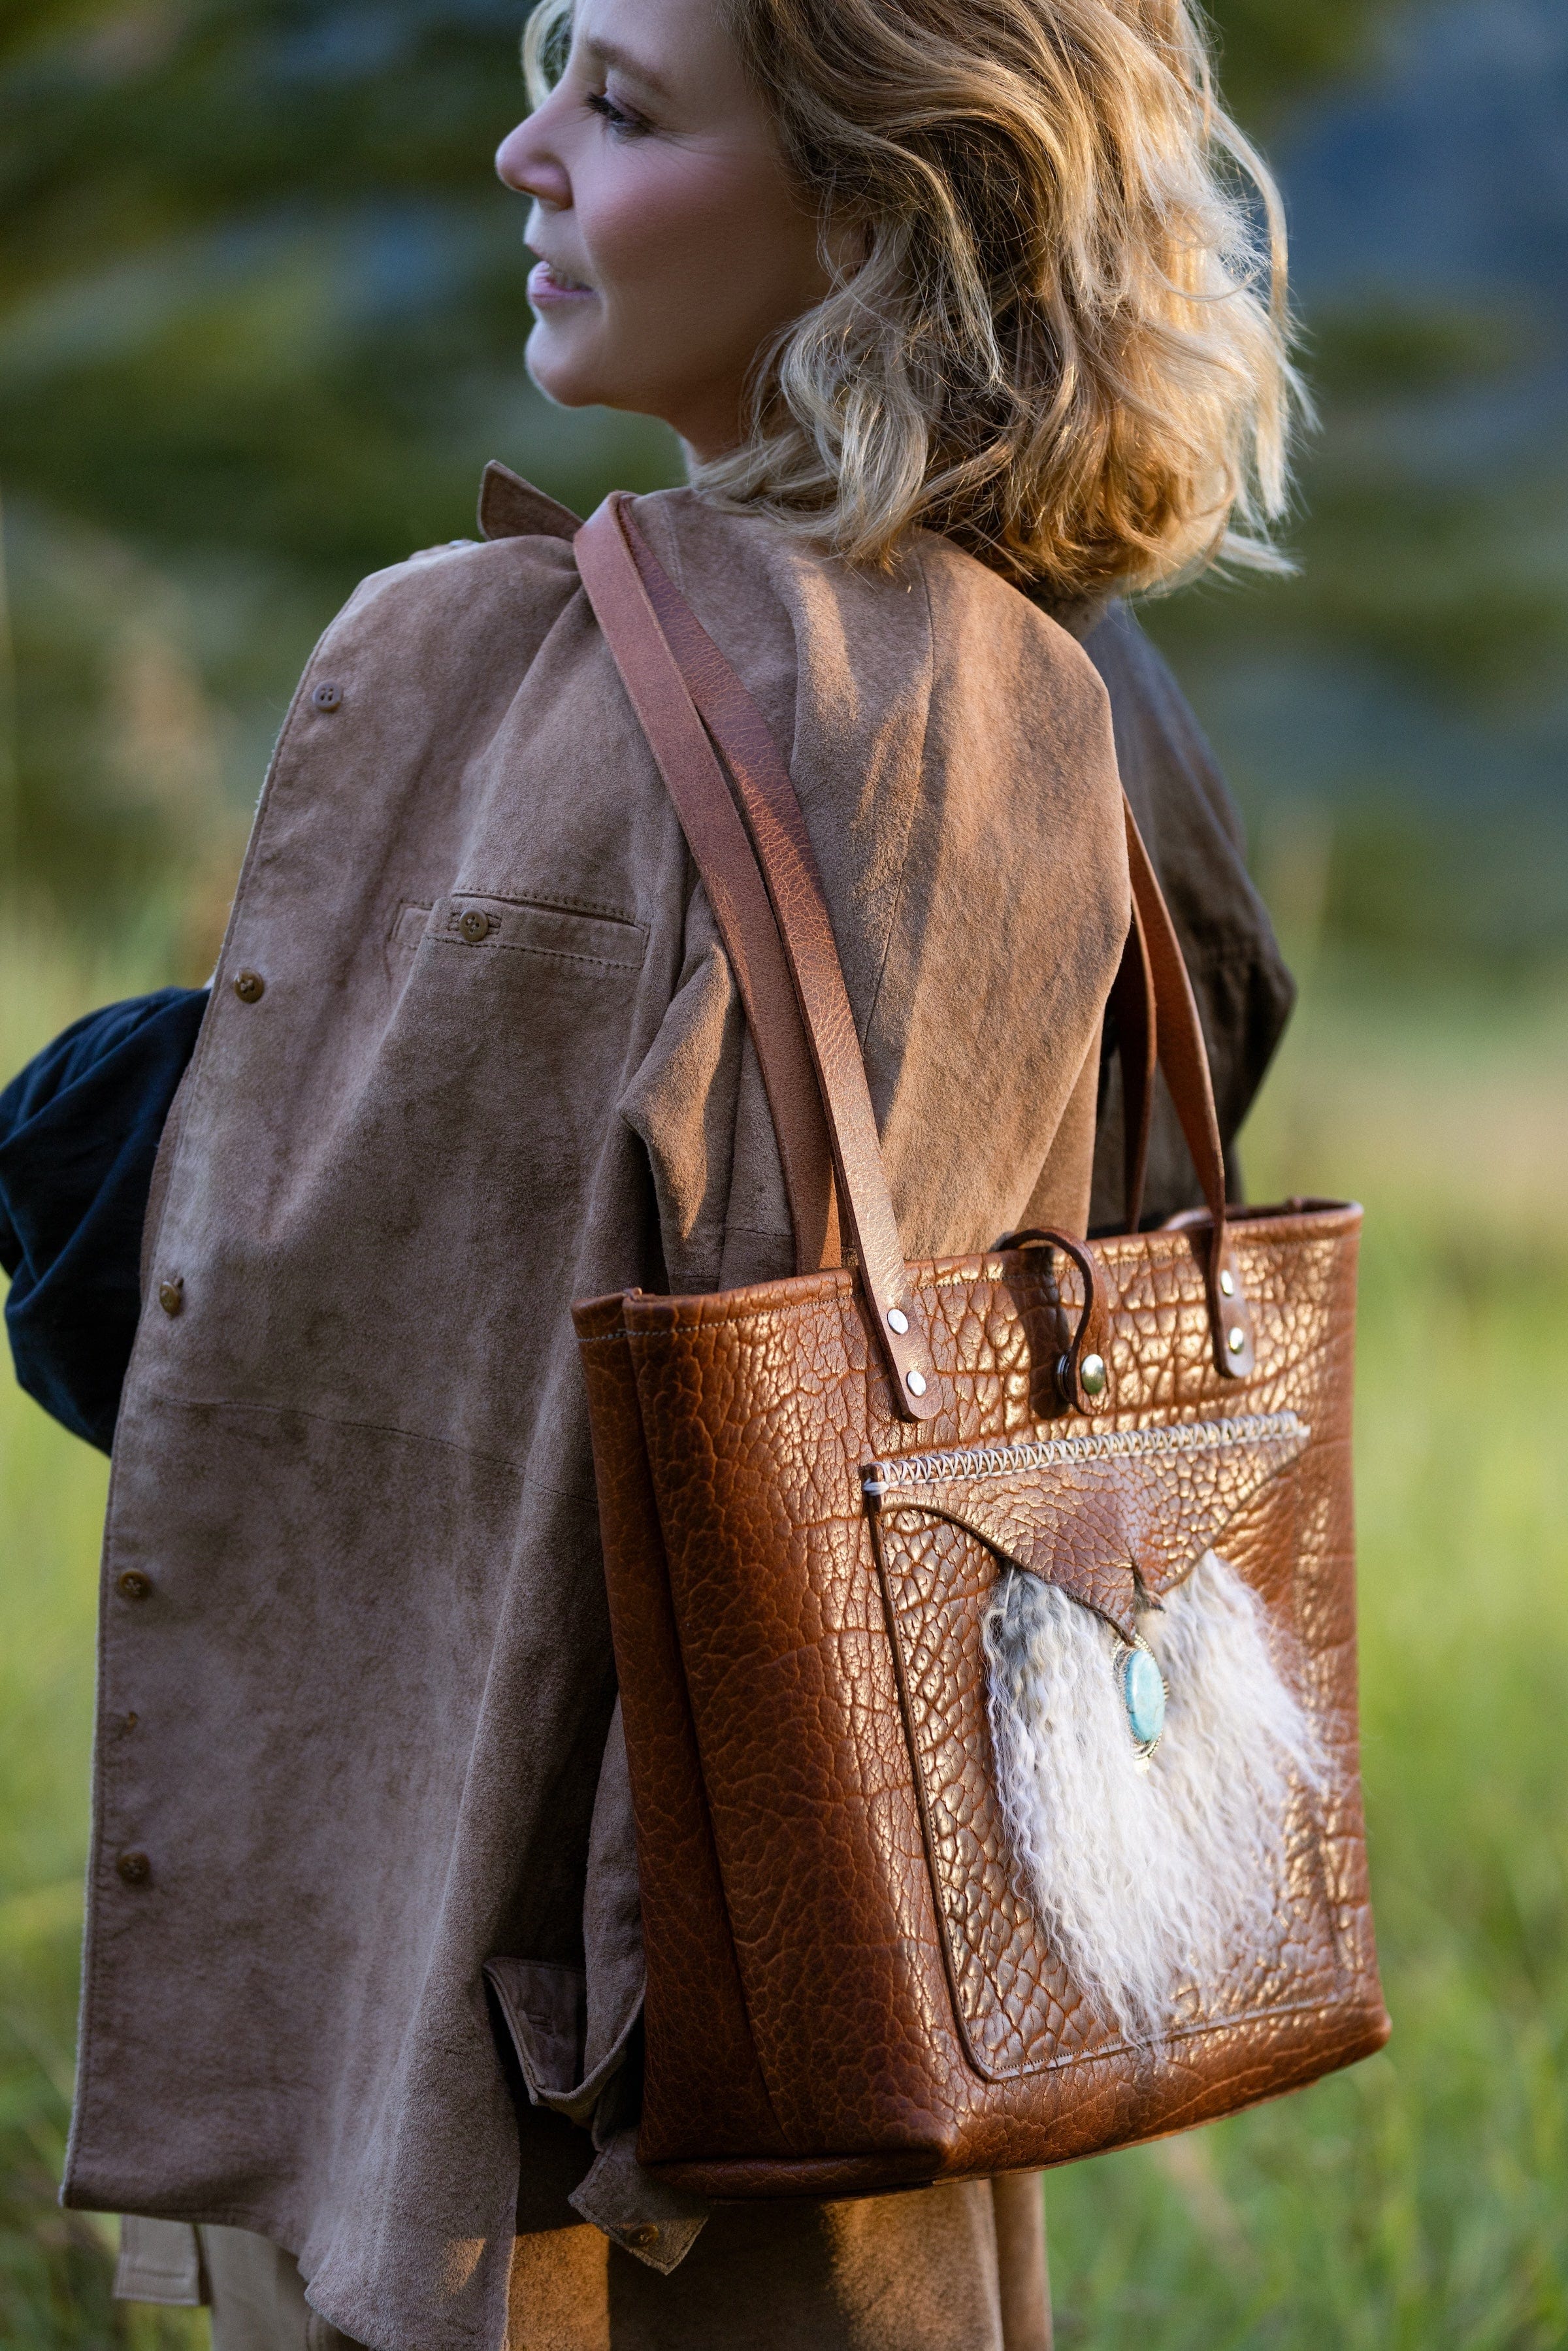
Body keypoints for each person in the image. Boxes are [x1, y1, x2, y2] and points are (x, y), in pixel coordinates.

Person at [0, 0, 1296, 2344]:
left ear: (875, 208)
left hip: (507, 2032)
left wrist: (80, 1131)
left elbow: (282, 1342)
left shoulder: (505, 666)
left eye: (619, 102)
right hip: (875, 1963)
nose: (526, 151)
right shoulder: (1065, 689)